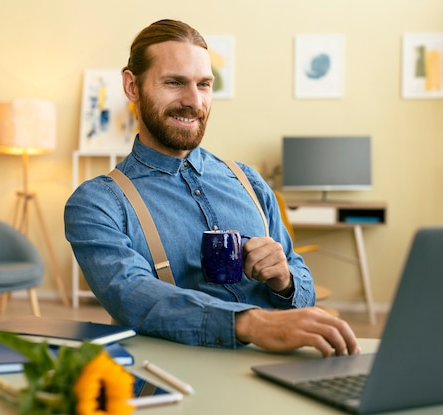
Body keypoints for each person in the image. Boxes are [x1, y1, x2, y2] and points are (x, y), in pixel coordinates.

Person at [65, 19, 360, 357]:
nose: (193, 101)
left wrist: (286, 281)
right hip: (181, 379)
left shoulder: (249, 181)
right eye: (174, 82)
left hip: (282, 365)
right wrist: (253, 323)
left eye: (204, 84)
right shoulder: (98, 203)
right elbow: (131, 295)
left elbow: (302, 285)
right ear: (133, 86)